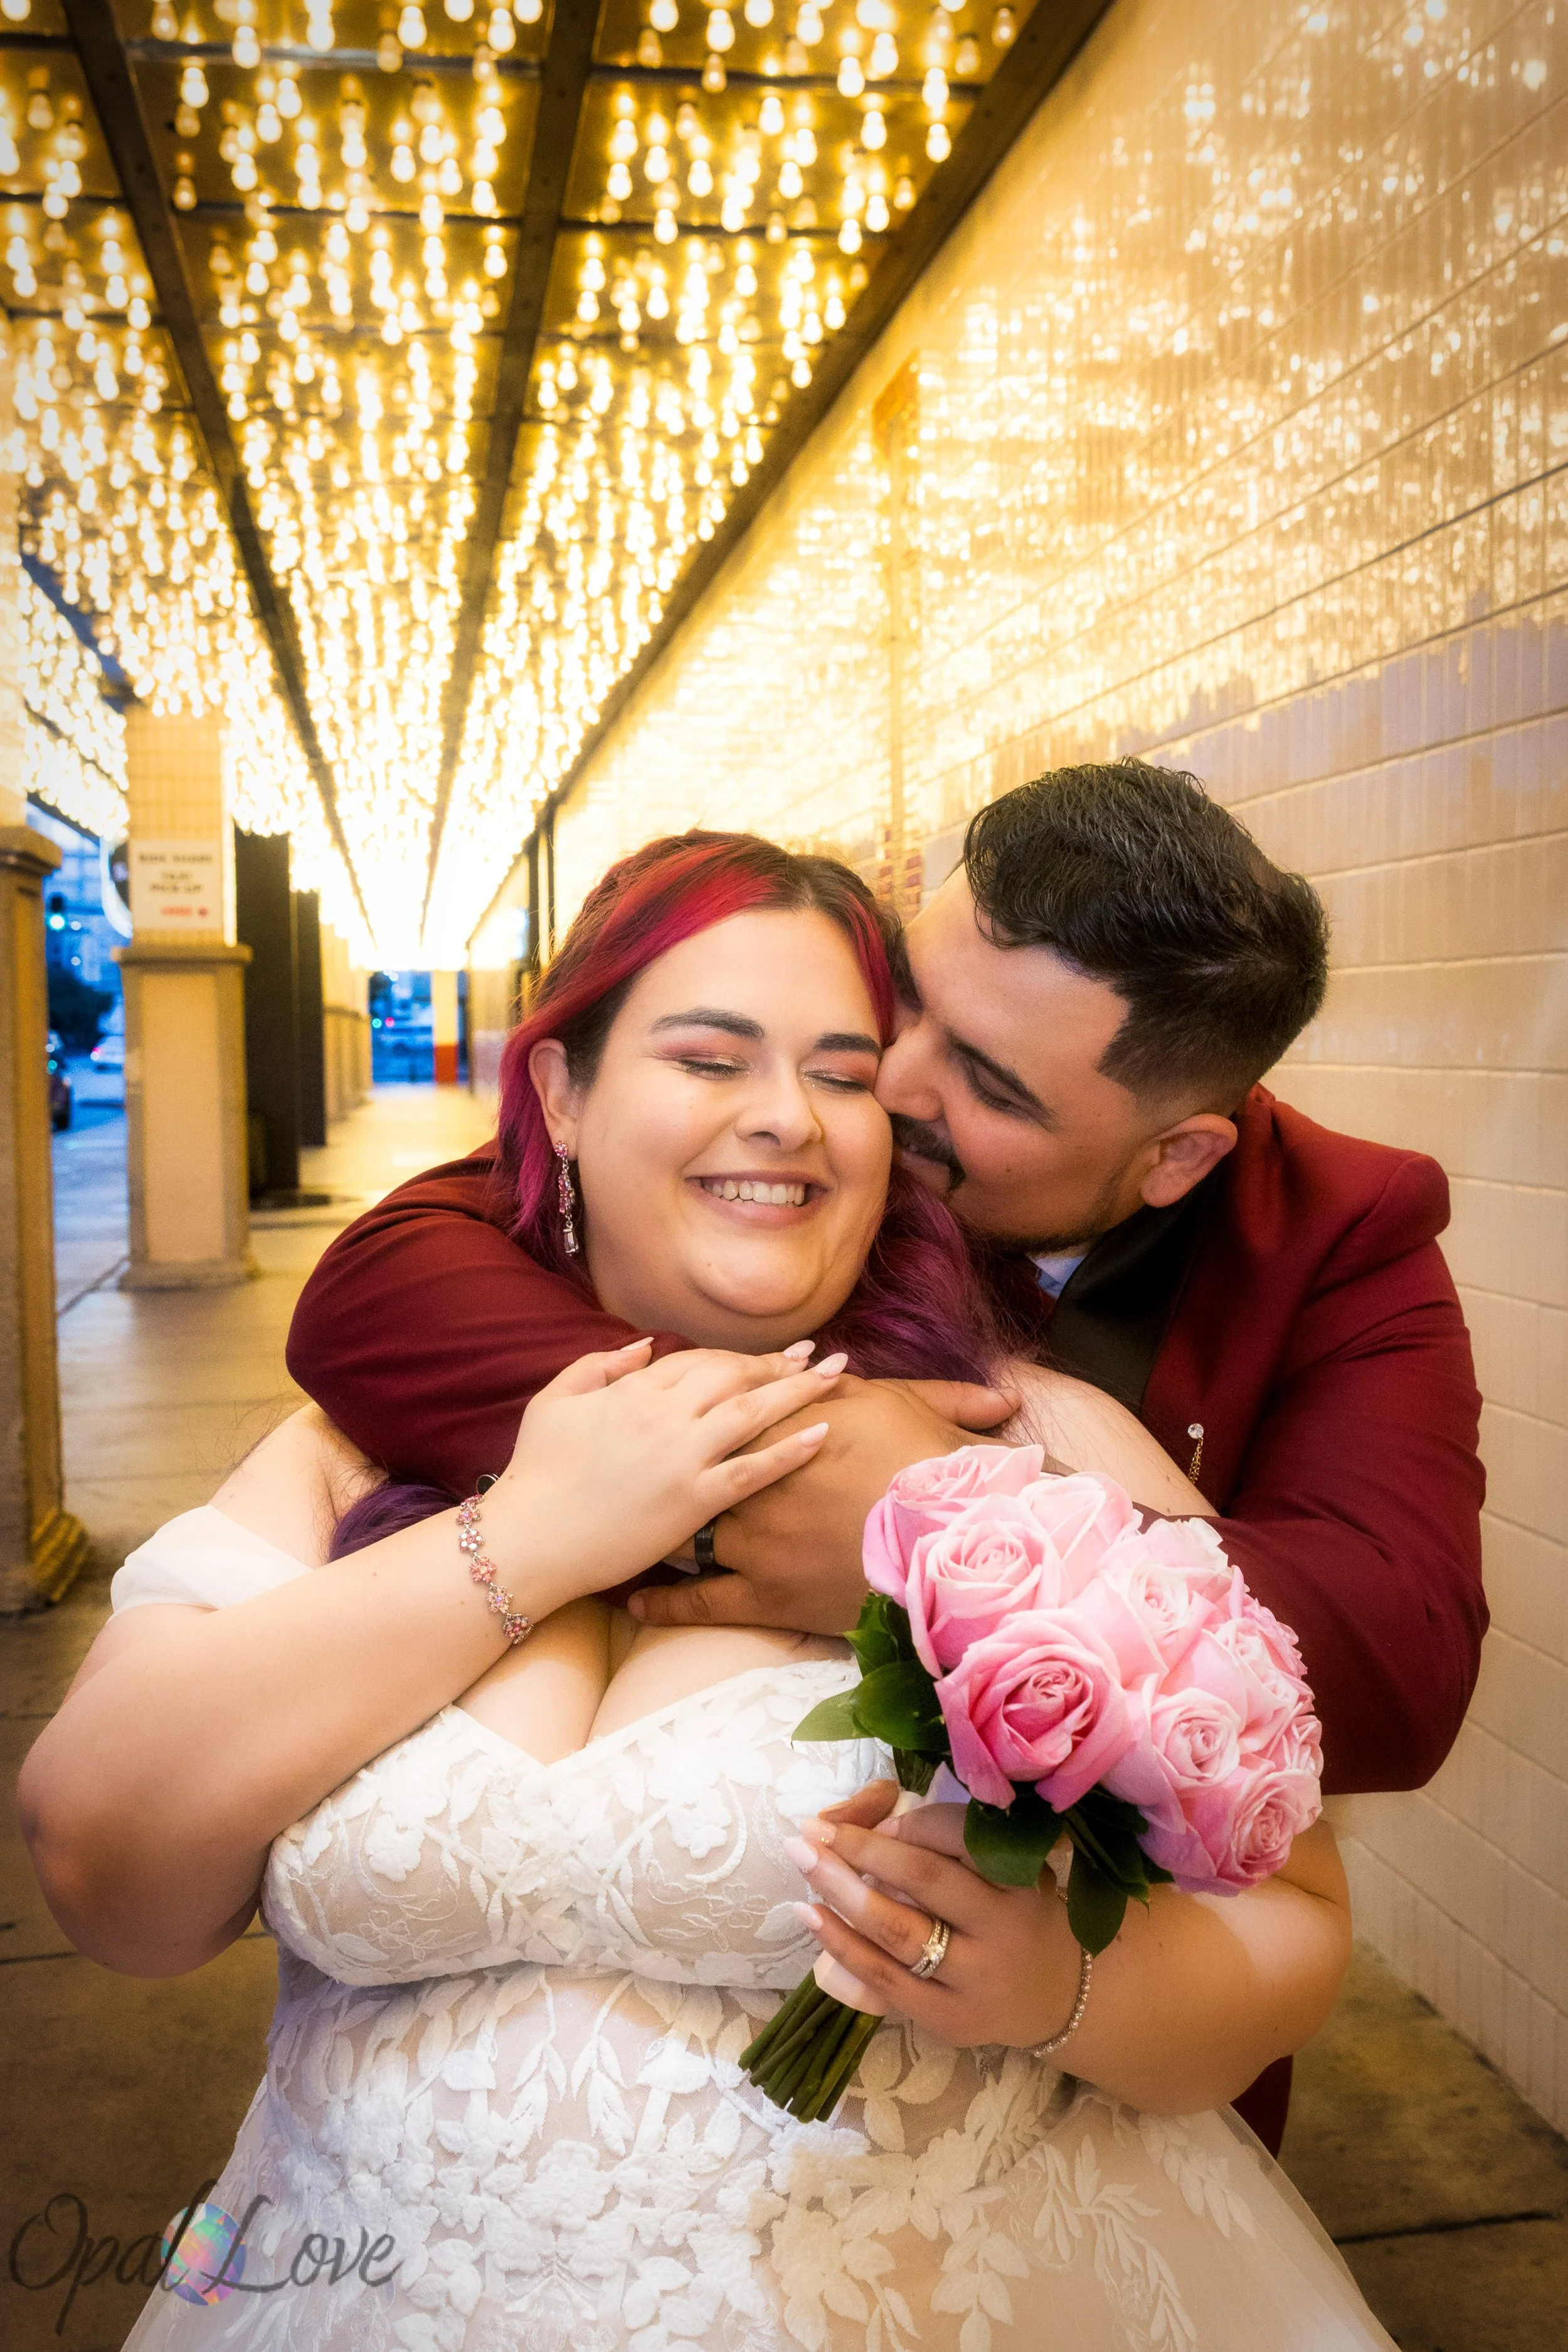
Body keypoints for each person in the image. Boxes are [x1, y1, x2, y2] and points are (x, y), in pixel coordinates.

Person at [21, 837, 1394, 2349]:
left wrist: (1064, 1986)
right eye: (707, 1055)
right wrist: (536, 1537)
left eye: (843, 1071)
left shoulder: (1017, 1445)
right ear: (560, 1094)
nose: (784, 1120)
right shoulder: (346, 1455)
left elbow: (1289, 1925)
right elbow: (106, 1881)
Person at [285, 769, 1488, 2151]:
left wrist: (944, 1533)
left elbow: (1394, 1662)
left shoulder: (1344, 1233)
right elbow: (386, 1286)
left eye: (984, 1083)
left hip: (1104, 2074)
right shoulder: (766, 1148)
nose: (885, 1081)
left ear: (1175, 1157)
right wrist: (800, 1463)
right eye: (912, 1000)